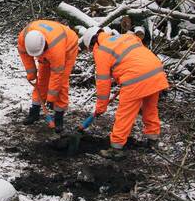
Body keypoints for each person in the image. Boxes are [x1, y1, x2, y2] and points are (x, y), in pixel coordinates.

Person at [81, 26, 169, 158]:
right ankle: (153, 141)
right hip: (157, 72)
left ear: (93, 43)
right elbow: (135, 55)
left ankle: (116, 148)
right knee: (150, 108)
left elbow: (103, 82)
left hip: (135, 78)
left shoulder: (102, 50)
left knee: (125, 113)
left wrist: (101, 107)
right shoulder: (126, 37)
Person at [17, 19, 79, 132]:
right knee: (42, 79)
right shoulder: (23, 38)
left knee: (62, 82)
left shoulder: (56, 49)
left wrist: (51, 98)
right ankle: (34, 112)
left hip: (68, 46)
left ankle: (59, 117)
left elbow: (57, 75)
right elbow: (24, 55)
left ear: (44, 45)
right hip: (49, 45)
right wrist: (31, 73)